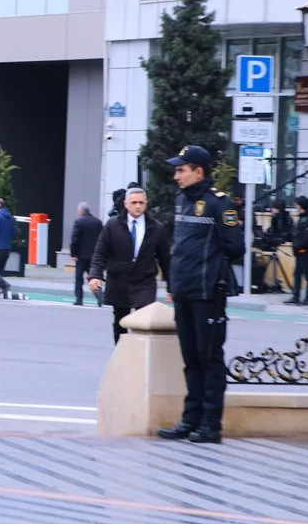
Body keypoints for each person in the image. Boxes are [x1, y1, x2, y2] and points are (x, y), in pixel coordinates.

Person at [156, 146, 244, 445]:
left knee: (209, 358)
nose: (176, 175)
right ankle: (190, 419)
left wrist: (209, 267)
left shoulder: (221, 205)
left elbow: (235, 247)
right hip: (183, 292)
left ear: (199, 172)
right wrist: (174, 284)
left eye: (182, 169)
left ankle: (210, 424)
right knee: (191, 359)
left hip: (208, 293)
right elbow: (179, 248)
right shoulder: (182, 200)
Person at [88, 188, 171, 343]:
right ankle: (122, 358)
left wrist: (172, 287)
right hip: (119, 281)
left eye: (141, 202)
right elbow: (100, 253)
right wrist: (95, 275)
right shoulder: (112, 226)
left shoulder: (156, 228)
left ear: (146, 204)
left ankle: (141, 357)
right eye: (134, 203)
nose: (137, 206)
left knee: (143, 321)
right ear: (126, 204)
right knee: (120, 322)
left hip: (144, 282)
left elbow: (165, 259)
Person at [69, 202, 103, 307]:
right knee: (94, 277)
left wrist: (73, 253)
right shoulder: (98, 222)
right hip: (94, 256)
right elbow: (102, 239)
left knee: (79, 278)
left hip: (81, 256)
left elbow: (74, 239)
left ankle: (79, 299)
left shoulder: (79, 222)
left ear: (81, 211)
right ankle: (99, 295)